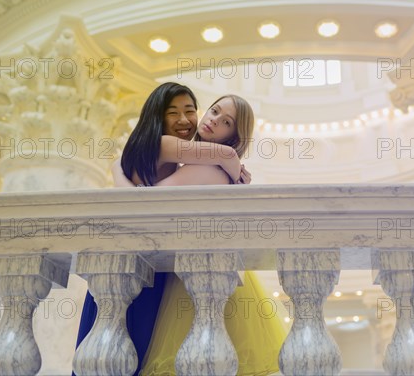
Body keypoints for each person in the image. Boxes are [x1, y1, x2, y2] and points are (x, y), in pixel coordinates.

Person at [74, 83, 249, 376]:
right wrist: (236, 173)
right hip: (129, 264)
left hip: (150, 265)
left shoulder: (176, 158)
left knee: (125, 356)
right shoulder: (164, 144)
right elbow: (228, 157)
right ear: (158, 116)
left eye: (190, 111)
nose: (185, 120)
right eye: (173, 112)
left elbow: (135, 188)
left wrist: (119, 173)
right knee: (111, 355)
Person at [136, 94, 286, 376]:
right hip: (196, 270)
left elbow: (149, 200)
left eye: (226, 121)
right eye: (214, 111)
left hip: (197, 276)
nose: (214, 120)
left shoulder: (207, 166)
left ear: (233, 134)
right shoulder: (207, 162)